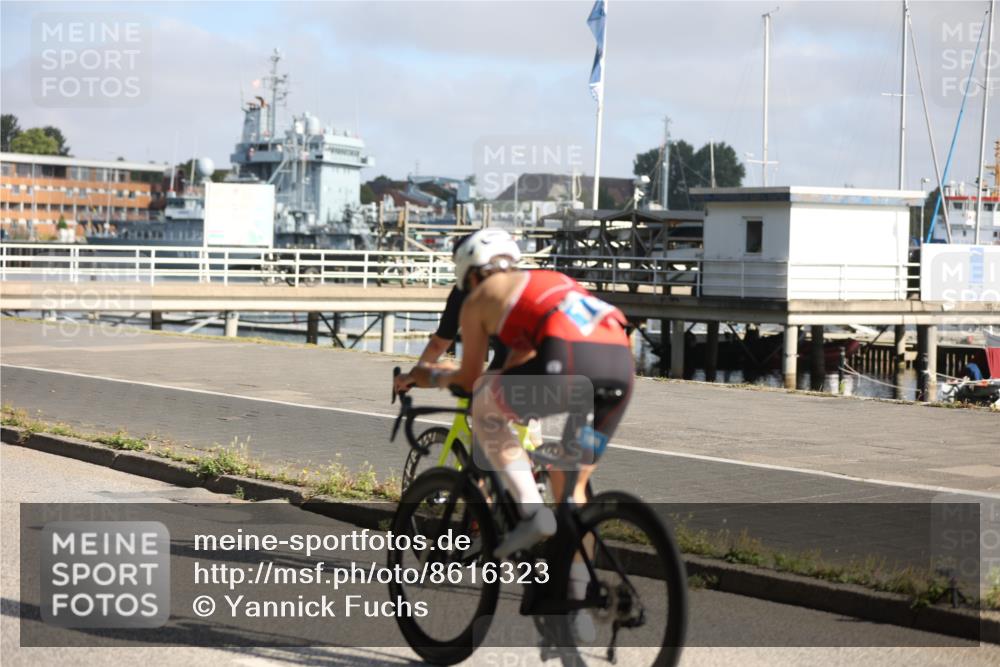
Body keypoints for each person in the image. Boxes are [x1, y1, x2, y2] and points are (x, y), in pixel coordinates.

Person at [396, 228, 634, 566]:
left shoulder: (477, 298)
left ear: (469, 273)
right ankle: (578, 601)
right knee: (573, 490)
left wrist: (428, 376)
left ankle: (531, 511)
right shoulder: (546, 281)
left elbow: (469, 377)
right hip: (620, 366)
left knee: (482, 404)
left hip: (566, 360)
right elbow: (518, 360)